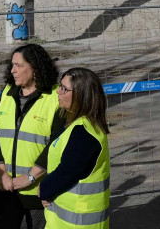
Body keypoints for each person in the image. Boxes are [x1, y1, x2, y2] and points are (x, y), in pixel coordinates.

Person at [0, 44, 64, 229]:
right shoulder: (6, 94)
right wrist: (2, 172)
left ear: (35, 67)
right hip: (5, 188)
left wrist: (30, 177)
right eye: (12, 65)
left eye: (18, 65)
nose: (12, 70)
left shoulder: (54, 98)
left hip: (38, 192)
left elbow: (57, 144)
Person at [40, 68, 110, 229]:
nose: (58, 91)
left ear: (81, 95)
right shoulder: (80, 125)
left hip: (77, 224)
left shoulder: (83, 134)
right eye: (60, 85)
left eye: (64, 88)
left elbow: (67, 172)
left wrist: (44, 189)